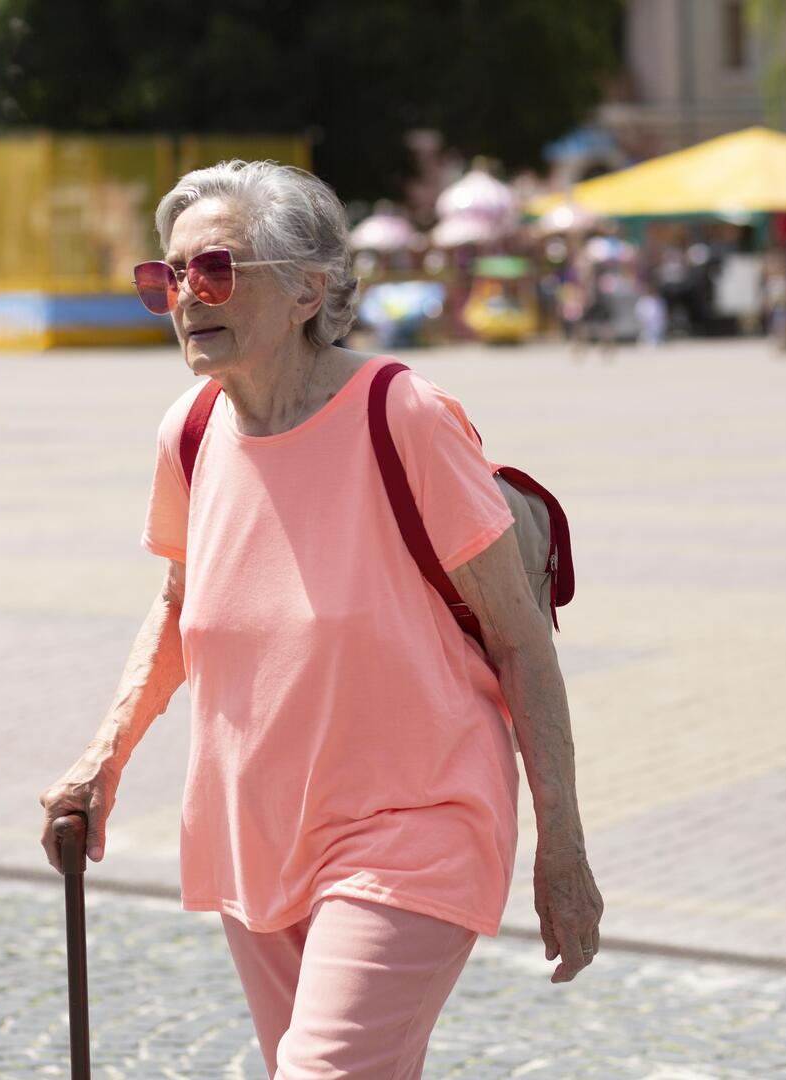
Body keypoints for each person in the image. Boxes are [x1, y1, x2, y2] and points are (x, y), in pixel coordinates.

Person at [38, 160, 603, 1080]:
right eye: (168, 276)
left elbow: (519, 640)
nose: (186, 297)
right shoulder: (191, 432)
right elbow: (179, 605)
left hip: (413, 825)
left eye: (215, 269)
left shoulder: (403, 414)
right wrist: (104, 758)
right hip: (255, 832)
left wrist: (562, 848)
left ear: (308, 290)